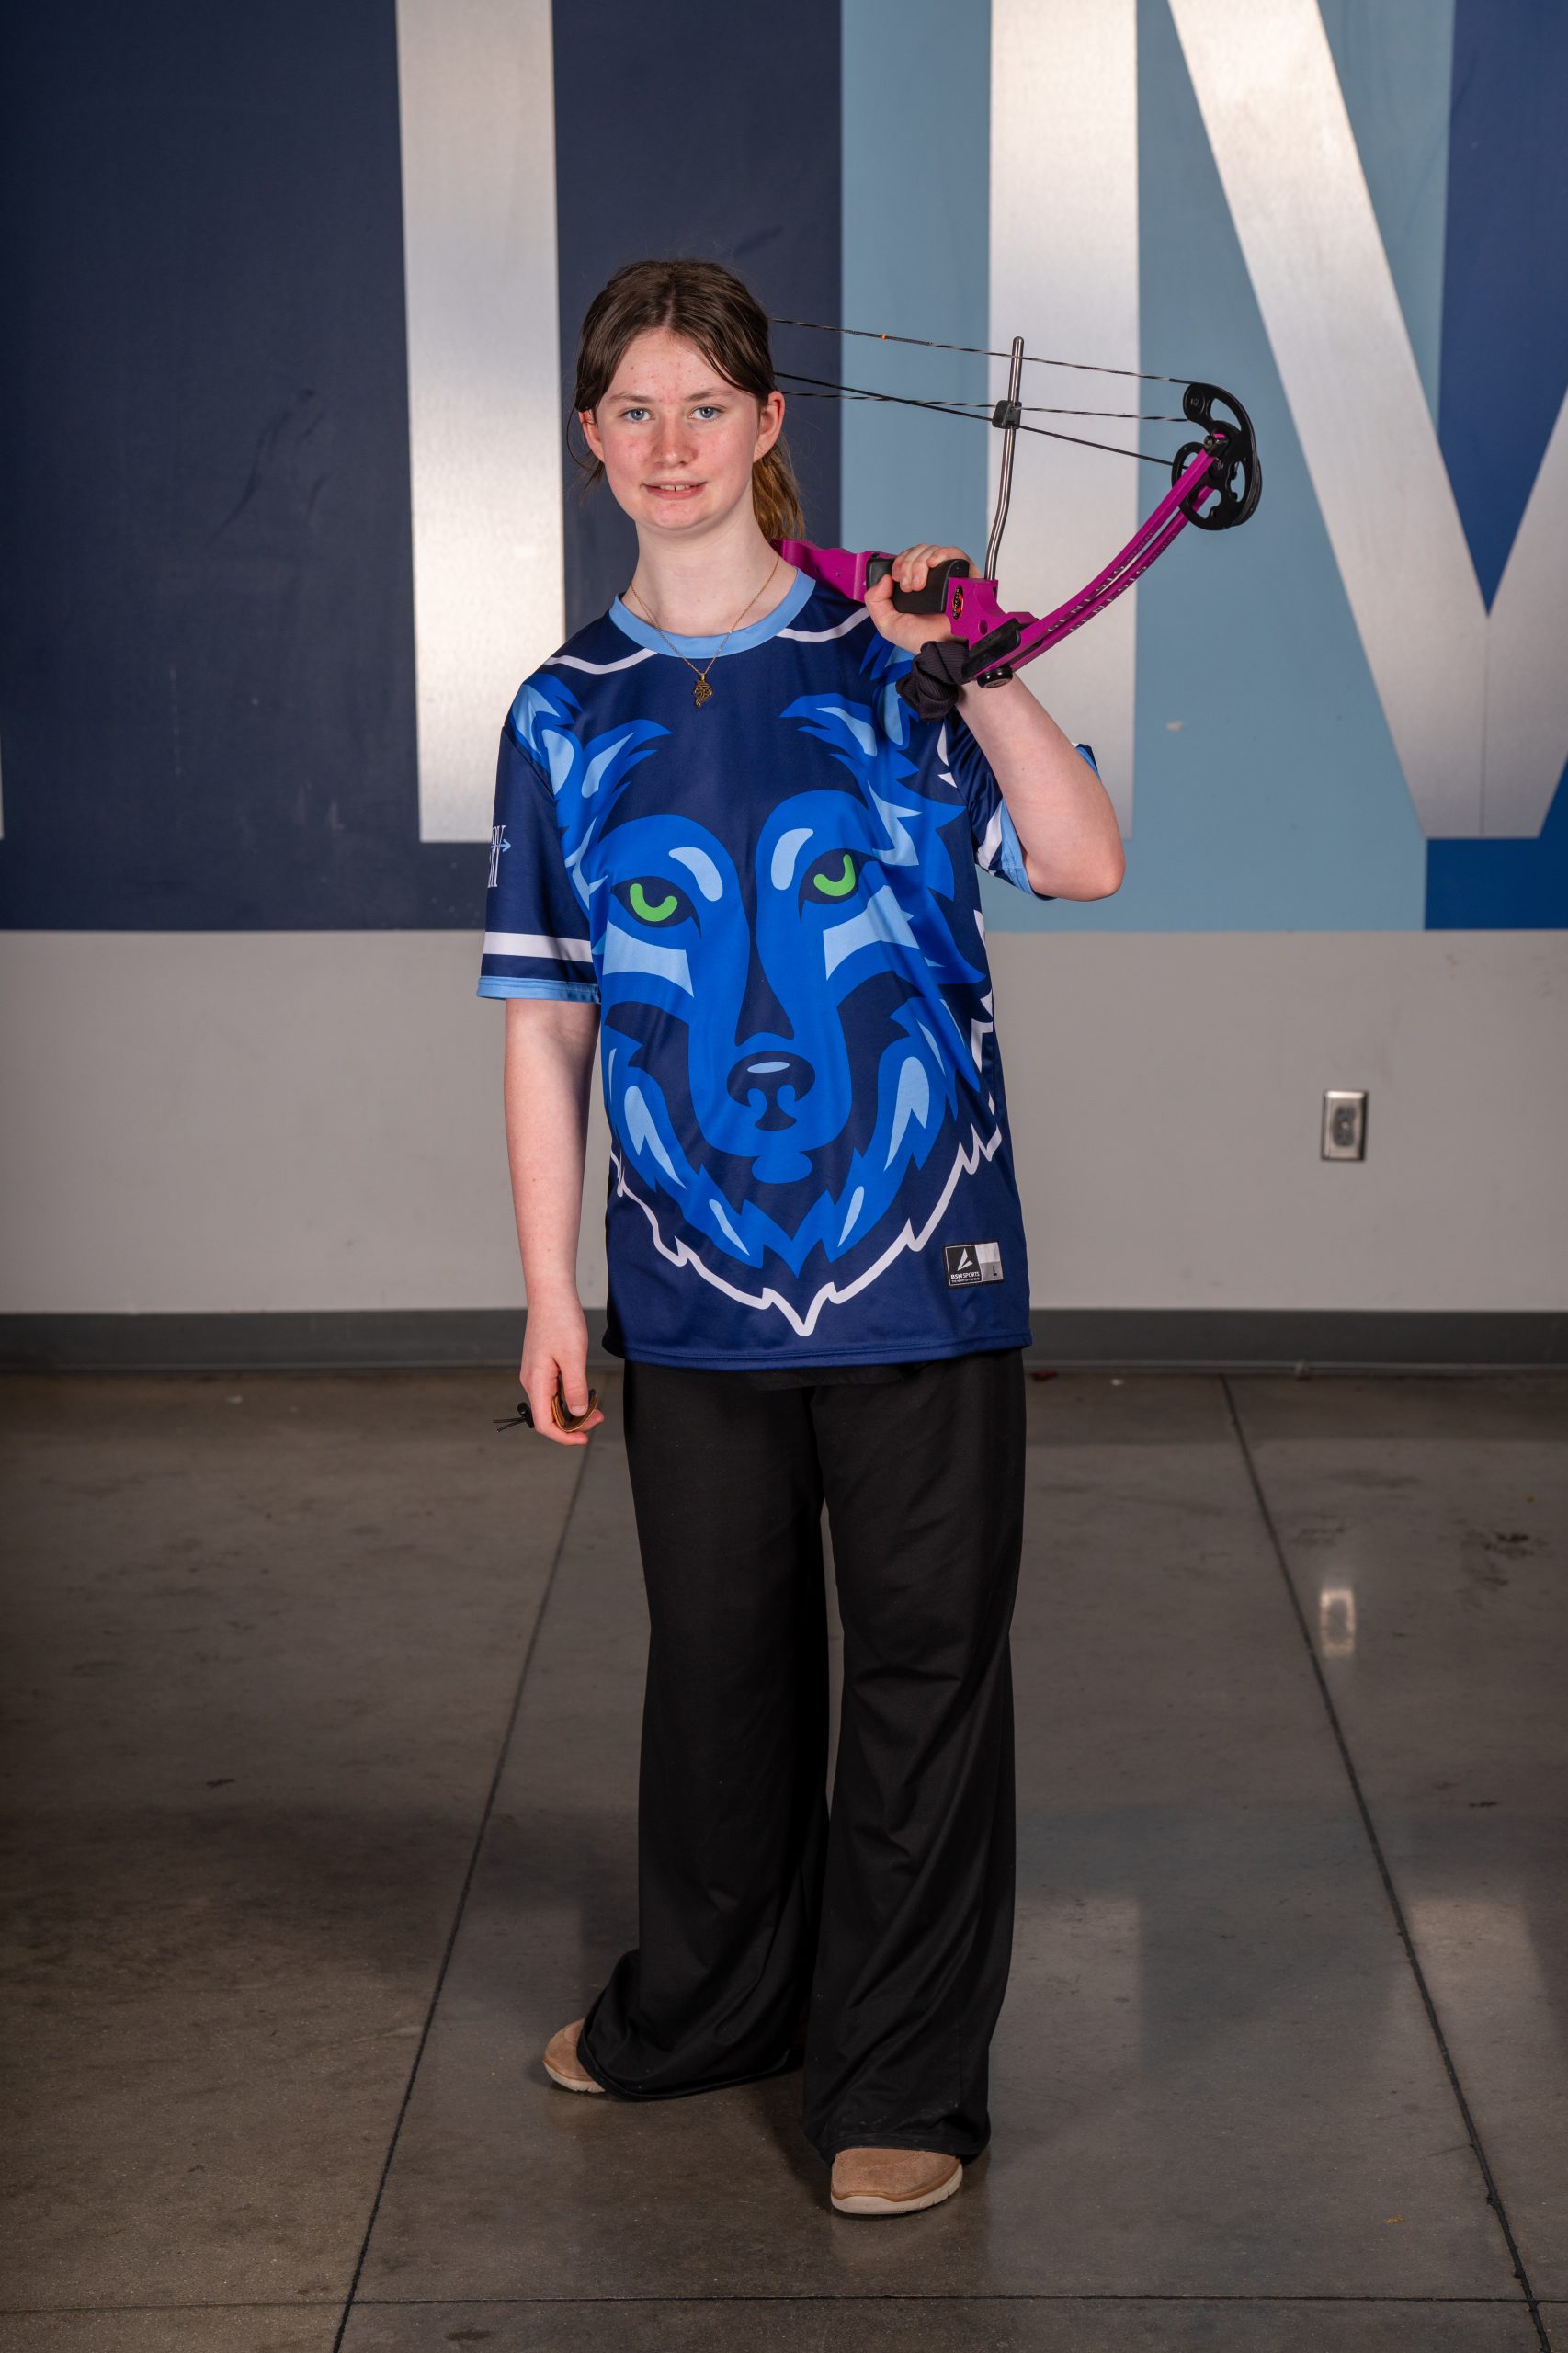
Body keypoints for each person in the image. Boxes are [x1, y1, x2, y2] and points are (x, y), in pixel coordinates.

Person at [478, 257, 1123, 2218]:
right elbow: (547, 1019)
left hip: (928, 1277)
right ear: (593, 442)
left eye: (706, 405)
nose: (669, 443)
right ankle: (709, 2005)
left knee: (922, 1677)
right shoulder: (560, 711)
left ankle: (900, 2084)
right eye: (634, 411)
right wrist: (548, 1287)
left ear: (769, 425)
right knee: (719, 1675)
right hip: (686, 1289)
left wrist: (975, 661)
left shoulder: (892, 658)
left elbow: (1081, 858)